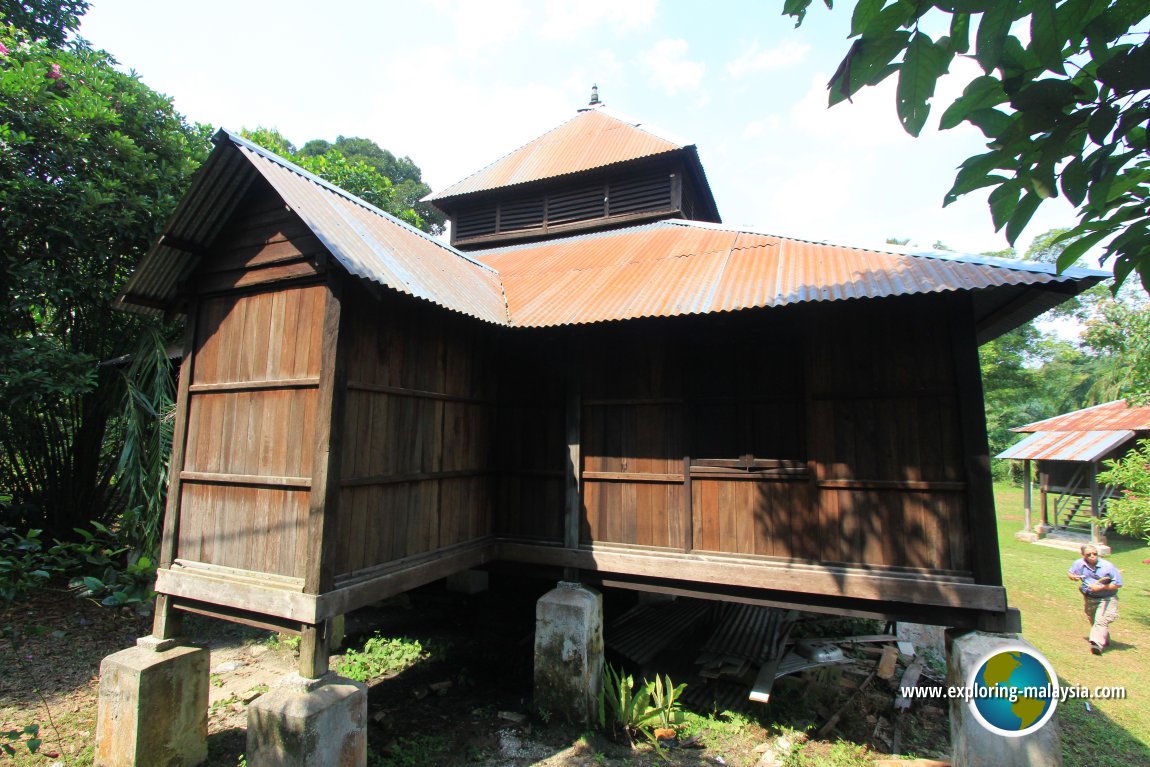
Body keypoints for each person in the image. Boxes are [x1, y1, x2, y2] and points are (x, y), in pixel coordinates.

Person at [1067, 544, 1123, 655]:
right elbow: (1070, 572)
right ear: (1083, 555)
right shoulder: (1079, 563)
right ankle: (1104, 640)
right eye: (1089, 554)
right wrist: (1072, 576)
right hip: (1090, 597)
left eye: (1095, 554)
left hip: (1107, 598)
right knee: (1094, 620)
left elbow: (1118, 584)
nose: (1093, 556)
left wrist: (1102, 587)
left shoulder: (1108, 566)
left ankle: (1096, 644)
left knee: (1101, 620)